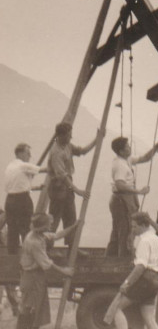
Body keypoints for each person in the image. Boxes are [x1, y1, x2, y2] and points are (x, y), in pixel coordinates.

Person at [106, 137, 158, 257]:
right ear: (121, 151)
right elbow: (120, 185)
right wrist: (139, 191)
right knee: (126, 229)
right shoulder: (119, 165)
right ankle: (123, 258)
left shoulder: (126, 159)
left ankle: (111, 257)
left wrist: (156, 147)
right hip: (121, 200)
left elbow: (145, 158)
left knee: (118, 229)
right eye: (127, 146)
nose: (129, 147)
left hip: (123, 199)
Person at [16, 213, 77, 329]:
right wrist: (64, 271)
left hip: (36, 276)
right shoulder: (33, 242)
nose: (50, 225)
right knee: (28, 308)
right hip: (31, 278)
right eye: (48, 224)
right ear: (42, 227)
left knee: (37, 308)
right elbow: (47, 263)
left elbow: (57, 235)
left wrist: (73, 227)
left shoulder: (39, 235)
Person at [47, 122, 94, 250]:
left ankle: (72, 249)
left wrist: (96, 140)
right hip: (58, 187)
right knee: (54, 220)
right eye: (68, 136)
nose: (70, 138)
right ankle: (46, 249)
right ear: (60, 136)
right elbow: (62, 176)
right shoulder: (56, 152)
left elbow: (81, 151)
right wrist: (78, 190)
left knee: (71, 218)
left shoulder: (67, 145)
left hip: (67, 187)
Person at [113, 212, 158, 329]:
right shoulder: (156, 239)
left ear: (144, 225)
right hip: (155, 280)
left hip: (144, 280)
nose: (133, 229)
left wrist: (127, 283)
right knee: (149, 319)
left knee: (116, 308)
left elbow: (140, 267)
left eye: (135, 226)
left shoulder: (144, 241)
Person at [4, 143, 47, 254]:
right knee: (26, 229)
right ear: (20, 153)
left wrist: (37, 187)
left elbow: (19, 186)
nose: (29, 156)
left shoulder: (10, 166)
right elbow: (44, 170)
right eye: (28, 153)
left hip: (9, 201)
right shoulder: (22, 165)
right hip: (22, 201)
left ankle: (12, 257)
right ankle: (27, 255)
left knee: (12, 230)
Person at [0, 209, 18, 317]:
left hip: (5, 261)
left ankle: (17, 311)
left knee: (10, 290)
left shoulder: (5, 232)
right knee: (8, 289)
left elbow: (5, 215)